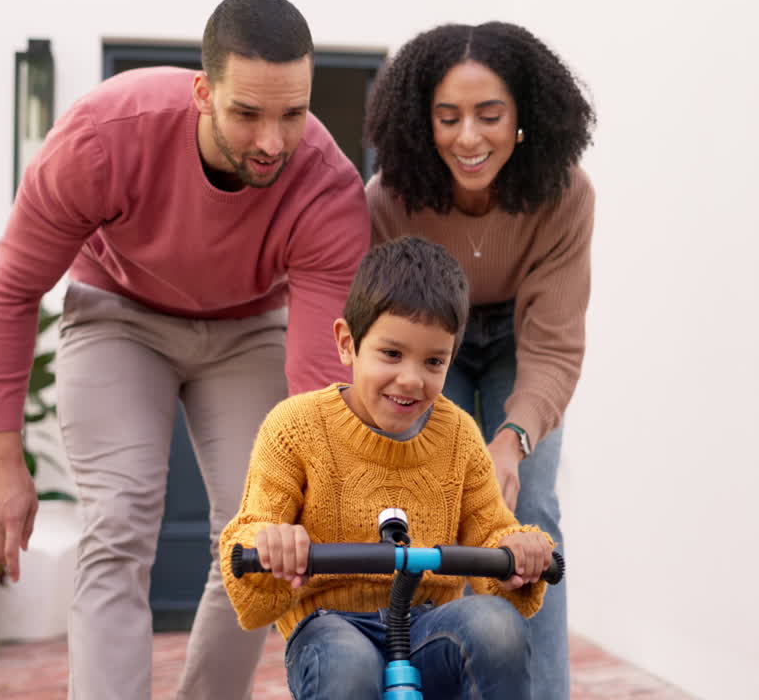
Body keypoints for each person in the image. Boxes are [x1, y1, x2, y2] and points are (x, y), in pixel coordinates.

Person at [0, 0, 369, 700]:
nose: (273, 141)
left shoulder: (327, 188)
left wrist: (311, 495)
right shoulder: (104, 138)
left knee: (259, 534)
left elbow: (315, 377)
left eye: (292, 113)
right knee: (119, 521)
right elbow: (11, 290)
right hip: (117, 316)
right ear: (202, 92)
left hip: (248, 327)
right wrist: (3, 461)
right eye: (247, 113)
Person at [363, 21, 596, 699]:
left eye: (490, 115)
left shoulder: (566, 194)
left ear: (524, 116)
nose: (469, 138)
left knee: (532, 518)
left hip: (521, 335)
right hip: (434, 342)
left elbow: (553, 342)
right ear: (420, 122)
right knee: (436, 510)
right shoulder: (390, 200)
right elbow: (392, 326)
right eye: (448, 117)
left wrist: (512, 440)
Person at [219, 236, 555, 700]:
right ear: (347, 343)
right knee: (348, 664)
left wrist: (516, 551)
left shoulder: (458, 435)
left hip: (430, 626)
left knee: (496, 628)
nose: (411, 379)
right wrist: (270, 543)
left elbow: (491, 534)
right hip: (331, 630)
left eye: (434, 361)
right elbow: (250, 540)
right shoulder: (295, 427)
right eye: (391, 354)